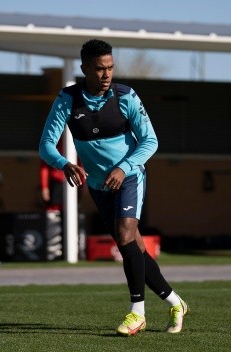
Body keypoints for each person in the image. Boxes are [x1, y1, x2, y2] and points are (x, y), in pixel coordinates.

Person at [39, 39, 188, 336]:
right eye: (99, 69)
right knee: (133, 246)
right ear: (84, 69)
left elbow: (150, 141)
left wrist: (124, 167)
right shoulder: (67, 100)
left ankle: (137, 312)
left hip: (130, 176)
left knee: (124, 234)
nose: (106, 74)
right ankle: (175, 302)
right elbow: (45, 145)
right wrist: (64, 163)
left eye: (110, 67)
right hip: (98, 184)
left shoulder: (126, 96)